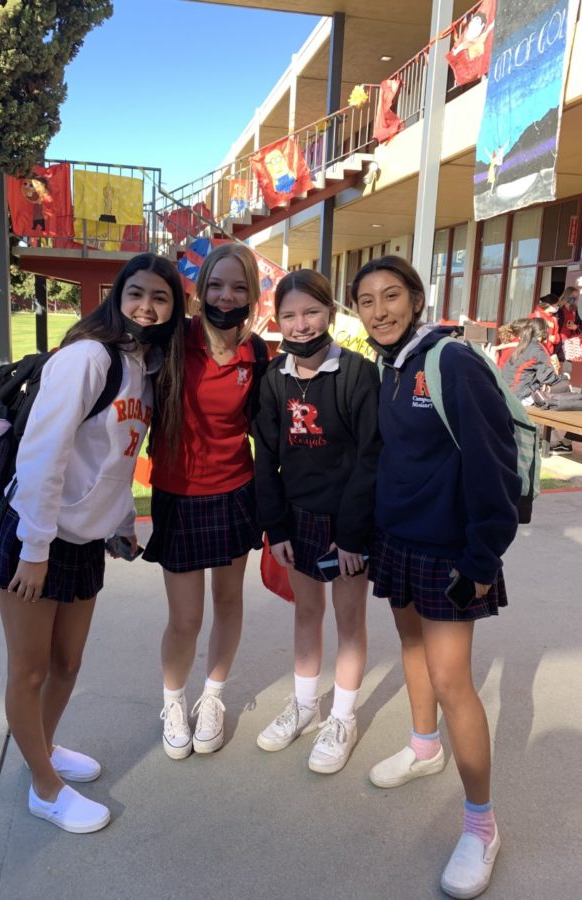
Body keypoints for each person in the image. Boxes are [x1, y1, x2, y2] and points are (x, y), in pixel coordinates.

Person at [0, 253, 185, 833]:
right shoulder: (89, 358)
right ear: (117, 296)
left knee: (68, 663)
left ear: (172, 309)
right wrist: (35, 550)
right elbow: (44, 453)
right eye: (136, 293)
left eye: (160, 298)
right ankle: (44, 787)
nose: (147, 305)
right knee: (31, 670)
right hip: (31, 533)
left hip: (85, 540)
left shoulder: (146, 368)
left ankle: (44, 747)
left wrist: (118, 523)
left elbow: (115, 461)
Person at [351, 256, 521, 899]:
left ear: (416, 298)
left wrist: (483, 558)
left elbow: (494, 462)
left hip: (452, 550)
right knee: (413, 649)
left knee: (454, 682)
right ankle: (424, 749)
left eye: (392, 296)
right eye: (367, 301)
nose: (380, 310)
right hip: (399, 541)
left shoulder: (451, 361)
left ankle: (481, 826)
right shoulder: (392, 368)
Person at [253, 270, 380, 774]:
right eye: (289, 315)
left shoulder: (355, 373)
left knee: (350, 621)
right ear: (276, 319)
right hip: (298, 519)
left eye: (311, 312)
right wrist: (276, 527)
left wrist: (352, 533)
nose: (301, 324)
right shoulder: (273, 378)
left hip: (349, 522)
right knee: (307, 615)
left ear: (330, 311)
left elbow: (371, 456)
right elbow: (266, 457)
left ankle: (342, 717)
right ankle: (305, 706)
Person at [144, 243, 268, 759]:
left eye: (239, 287)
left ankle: (213, 697)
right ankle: (173, 701)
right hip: (177, 494)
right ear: (199, 289)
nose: (226, 295)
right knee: (186, 618)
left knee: (229, 601)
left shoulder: (257, 353)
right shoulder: (174, 341)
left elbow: (269, 428)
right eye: (217, 285)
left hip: (235, 491)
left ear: (253, 295)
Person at [502, 316, 573, 453]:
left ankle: (548, 437)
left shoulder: (522, 345)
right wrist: (565, 377)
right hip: (520, 398)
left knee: (554, 392)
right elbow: (548, 378)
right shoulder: (537, 349)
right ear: (544, 332)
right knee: (565, 393)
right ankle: (554, 441)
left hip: (508, 395)